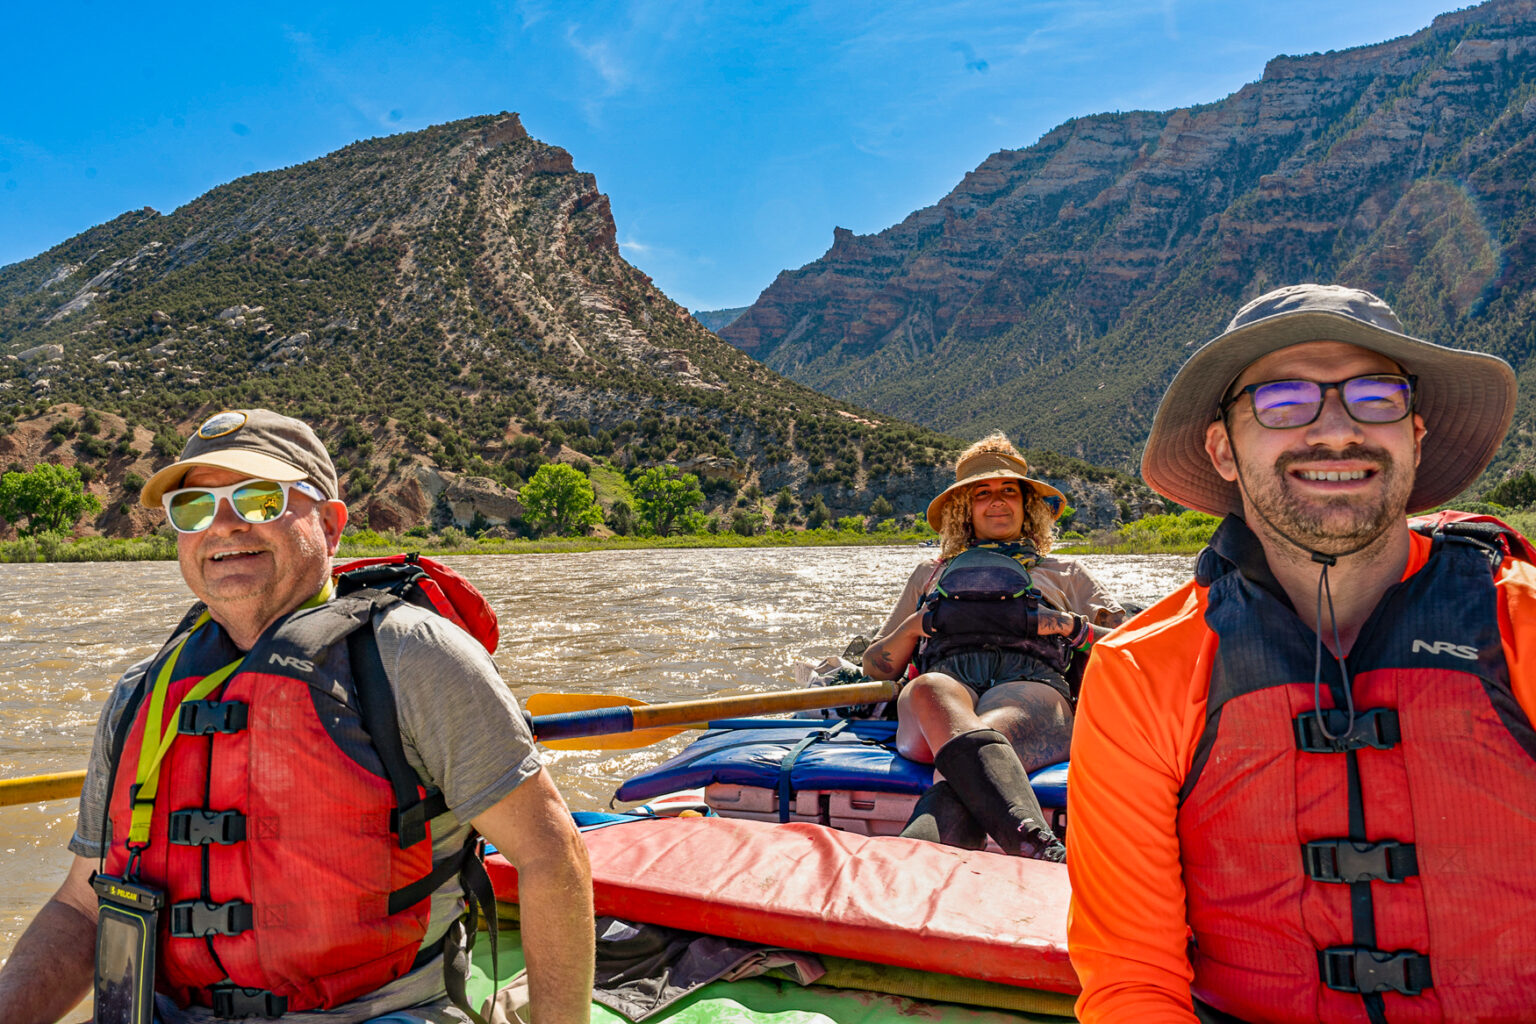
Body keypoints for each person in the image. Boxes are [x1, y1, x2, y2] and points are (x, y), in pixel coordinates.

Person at [0, 409, 596, 1024]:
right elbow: (81, 906)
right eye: (193, 508)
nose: (223, 527)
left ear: (332, 525)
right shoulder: (138, 697)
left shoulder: (412, 658)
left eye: (259, 500)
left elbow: (550, 856)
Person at [1067, 284, 1536, 1023]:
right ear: (1223, 448)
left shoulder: (1523, 624)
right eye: (1284, 403)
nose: (1336, 432)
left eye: (1374, 398)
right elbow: (1133, 978)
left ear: (1415, 434)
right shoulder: (1141, 670)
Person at [862, 433, 1125, 861]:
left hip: (1031, 685)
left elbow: (1131, 649)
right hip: (943, 691)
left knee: (985, 739)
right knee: (929, 689)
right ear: (966, 508)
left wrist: (1069, 626)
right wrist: (914, 626)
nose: (997, 501)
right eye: (983, 493)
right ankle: (1039, 850)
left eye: (1009, 492)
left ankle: (915, 860)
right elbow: (876, 667)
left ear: (1027, 505)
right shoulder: (930, 574)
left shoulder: (1066, 572)